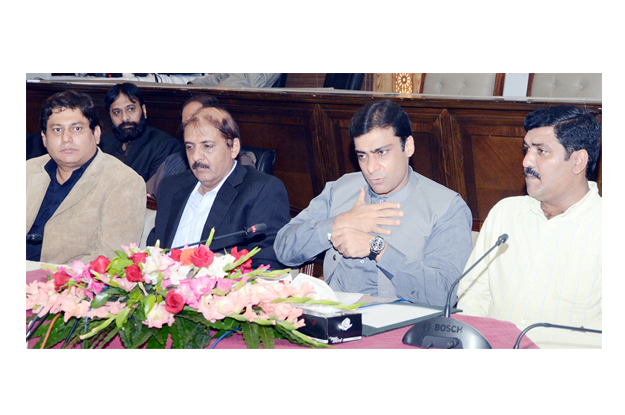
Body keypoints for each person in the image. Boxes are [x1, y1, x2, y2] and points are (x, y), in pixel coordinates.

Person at [274, 100, 473, 306]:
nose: (370, 168)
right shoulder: (340, 189)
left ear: (409, 147)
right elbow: (283, 248)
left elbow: (444, 295)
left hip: (401, 326)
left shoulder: (446, 207)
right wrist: (339, 222)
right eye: (362, 156)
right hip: (331, 316)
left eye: (381, 152)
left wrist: (377, 249)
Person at [457, 105, 602, 331]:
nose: (526, 161)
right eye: (526, 149)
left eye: (541, 151)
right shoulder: (505, 213)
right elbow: (473, 296)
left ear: (578, 161)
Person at [146, 106, 290, 270]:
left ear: (233, 147)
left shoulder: (262, 190)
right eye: (190, 147)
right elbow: (154, 247)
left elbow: (266, 265)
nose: (196, 156)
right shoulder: (171, 186)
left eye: (207, 146)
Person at [26, 90, 146, 264]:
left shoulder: (123, 182)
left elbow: (112, 259)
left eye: (76, 129)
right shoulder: (27, 171)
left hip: (63, 284)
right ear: (44, 138)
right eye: (57, 130)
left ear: (96, 134)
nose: (66, 138)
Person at [145, 95, 254, 198]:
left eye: (196, 120)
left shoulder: (241, 165)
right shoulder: (173, 162)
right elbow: (147, 195)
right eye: (186, 124)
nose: (196, 157)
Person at [99, 83, 181, 182]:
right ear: (110, 116)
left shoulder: (164, 145)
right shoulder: (102, 144)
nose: (125, 118)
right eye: (117, 112)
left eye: (130, 109)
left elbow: (154, 192)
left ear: (144, 111)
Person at [188, 73, 280, 88]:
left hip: (241, 104)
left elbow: (255, 83)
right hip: (219, 96)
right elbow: (220, 77)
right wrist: (194, 84)